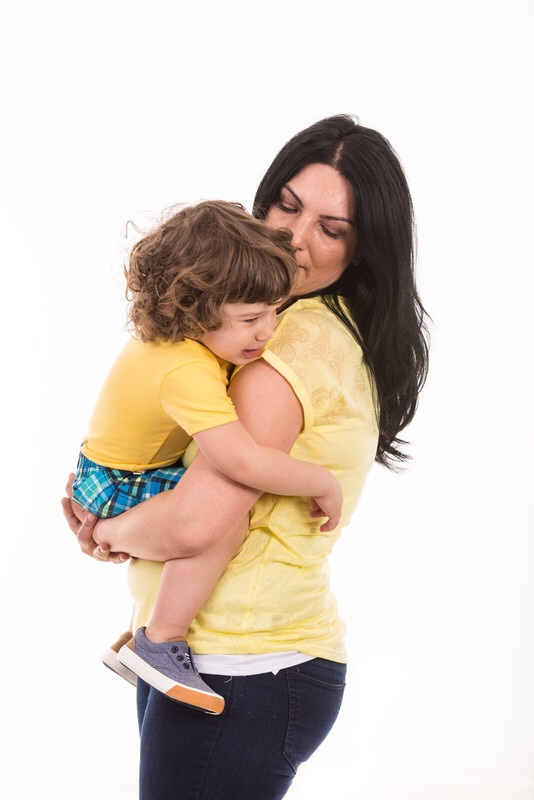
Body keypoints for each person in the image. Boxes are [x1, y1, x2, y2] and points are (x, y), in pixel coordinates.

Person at [64, 115, 429, 800]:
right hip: (227, 661)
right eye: (287, 205)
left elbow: (199, 522)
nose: (294, 239)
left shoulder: (280, 350)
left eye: (331, 227)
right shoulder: (273, 325)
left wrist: (103, 530)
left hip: (245, 665)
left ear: (364, 248)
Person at [70, 199, 343, 716]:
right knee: (223, 518)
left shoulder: (174, 341)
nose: (268, 331)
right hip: (117, 483)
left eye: (275, 313)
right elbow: (242, 459)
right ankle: (160, 639)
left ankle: (138, 636)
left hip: (109, 469)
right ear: (195, 307)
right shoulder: (185, 370)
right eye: (251, 318)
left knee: (208, 500)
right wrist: (321, 481)